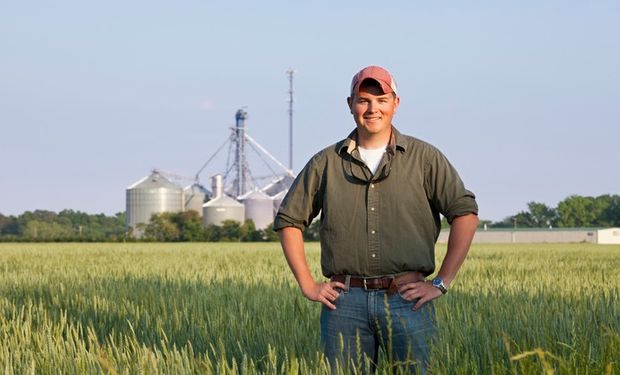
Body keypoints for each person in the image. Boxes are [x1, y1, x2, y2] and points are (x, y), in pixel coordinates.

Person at [274, 65, 479, 374]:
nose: (372, 109)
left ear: (396, 103)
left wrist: (441, 282)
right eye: (363, 100)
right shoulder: (326, 162)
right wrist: (307, 284)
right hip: (345, 304)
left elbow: (465, 213)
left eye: (381, 100)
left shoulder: (424, 158)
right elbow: (289, 220)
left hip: (408, 301)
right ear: (350, 105)